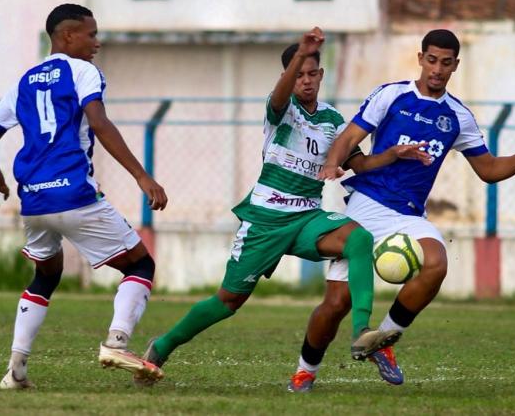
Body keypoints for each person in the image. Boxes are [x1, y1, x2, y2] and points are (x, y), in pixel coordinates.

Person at [138, 27, 428, 387]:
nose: (305, 81)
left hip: (307, 217)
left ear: (321, 75)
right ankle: (162, 346)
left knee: (358, 239)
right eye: (298, 74)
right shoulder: (281, 109)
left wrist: (392, 155)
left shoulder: (333, 121)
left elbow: (359, 164)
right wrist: (297, 57)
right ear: (288, 77)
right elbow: (278, 96)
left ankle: (363, 332)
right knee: (227, 302)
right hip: (266, 219)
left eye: (311, 74)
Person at [288, 29, 515, 390]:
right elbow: (349, 138)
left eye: (445, 63)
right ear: (420, 58)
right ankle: (305, 371)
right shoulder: (392, 95)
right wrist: (333, 164)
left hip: (408, 215)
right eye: (431, 60)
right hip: (365, 206)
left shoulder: (457, 116)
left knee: (436, 262)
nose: (437, 69)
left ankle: (382, 341)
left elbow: (489, 170)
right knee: (336, 303)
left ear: (455, 65)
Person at [0, 3, 169, 390]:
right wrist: (141, 175)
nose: (97, 43)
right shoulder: (83, 71)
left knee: (46, 275)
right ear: (68, 36)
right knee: (140, 266)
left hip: (33, 201)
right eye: (91, 34)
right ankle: (117, 343)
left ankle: (15, 370)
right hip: (74, 194)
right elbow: (98, 122)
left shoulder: (23, 82)